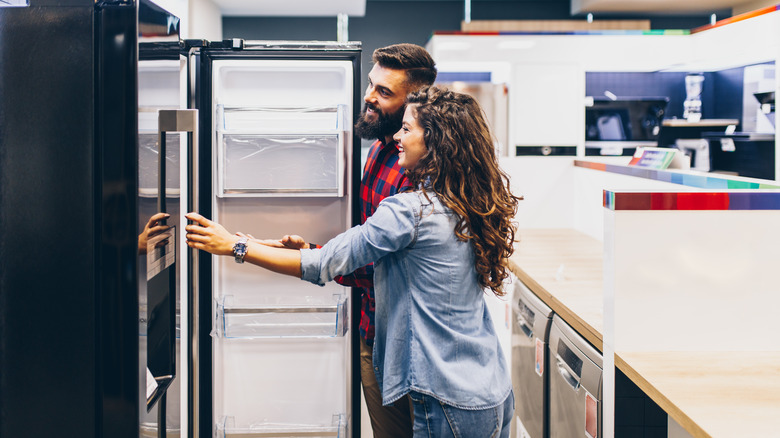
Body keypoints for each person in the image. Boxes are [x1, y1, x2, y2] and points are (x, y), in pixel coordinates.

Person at [185, 85, 520, 437]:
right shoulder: (470, 200)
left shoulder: (411, 211)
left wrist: (235, 247)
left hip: (444, 396)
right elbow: (370, 262)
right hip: (491, 388)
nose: (397, 137)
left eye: (407, 129)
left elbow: (323, 264)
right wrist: (288, 248)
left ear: (436, 141)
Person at [251, 42, 436, 438]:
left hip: (412, 344)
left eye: (384, 92)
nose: (369, 97)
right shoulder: (381, 149)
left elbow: (379, 263)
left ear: (415, 103)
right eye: (372, 85)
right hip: (372, 327)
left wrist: (247, 249)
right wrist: (316, 250)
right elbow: (366, 239)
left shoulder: (420, 172)